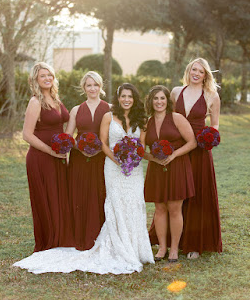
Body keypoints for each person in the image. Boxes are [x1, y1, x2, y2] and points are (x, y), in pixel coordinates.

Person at [13, 83, 154, 274]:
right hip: (111, 165)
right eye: (123, 96)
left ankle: (136, 247)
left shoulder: (137, 118)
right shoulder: (103, 114)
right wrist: (112, 158)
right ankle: (115, 244)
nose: (126, 99)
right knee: (114, 204)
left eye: (130, 96)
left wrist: (139, 157)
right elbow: (98, 140)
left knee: (134, 204)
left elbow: (142, 146)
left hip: (133, 170)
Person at [14, 62, 74, 253]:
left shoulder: (56, 99)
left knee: (59, 197)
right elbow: (27, 135)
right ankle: (49, 240)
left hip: (58, 156)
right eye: (43, 76)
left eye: (50, 75)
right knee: (46, 198)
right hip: (41, 158)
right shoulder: (35, 102)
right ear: (35, 80)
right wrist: (51, 151)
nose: (47, 78)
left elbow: (68, 123)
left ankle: (62, 238)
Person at [171, 58, 222, 259]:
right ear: (188, 70)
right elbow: (169, 117)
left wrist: (210, 136)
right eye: (194, 69)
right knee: (177, 194)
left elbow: (216, 124)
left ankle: (194, 243)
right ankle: (174, 241)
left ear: (205, 75)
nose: (196, 73)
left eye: (201, 71)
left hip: (200, 150)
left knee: (197, 194)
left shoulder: (211, 95)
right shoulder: (176, 92)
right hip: (179, 147)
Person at [143, 85, 196, 263]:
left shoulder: (176, 118)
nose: (159, 102)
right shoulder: (146, 122)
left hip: (177, 167)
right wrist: (154, 158)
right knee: (159, 208)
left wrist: (173, 154)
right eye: (155, 98)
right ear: (150, 101)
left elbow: (192, 142)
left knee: (174, 208)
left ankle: (174, 248)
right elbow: (141, 150)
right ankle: (162, 247)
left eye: (162, 98)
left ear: (168, 101)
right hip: (156, 169)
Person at [66, 71, 110, 250]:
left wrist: (98, 148)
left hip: (101, 159)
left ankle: (99, 236)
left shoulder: (110, 108)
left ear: (101, 87)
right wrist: (81, 147)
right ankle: (79, 235)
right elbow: (68, 136)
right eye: (89, 85)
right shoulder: (76, 109)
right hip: (79, 158)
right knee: (80, 195)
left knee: (99, 194)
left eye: (96, 85)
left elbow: (113, 136)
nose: (93, 88)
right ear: (84, 87)